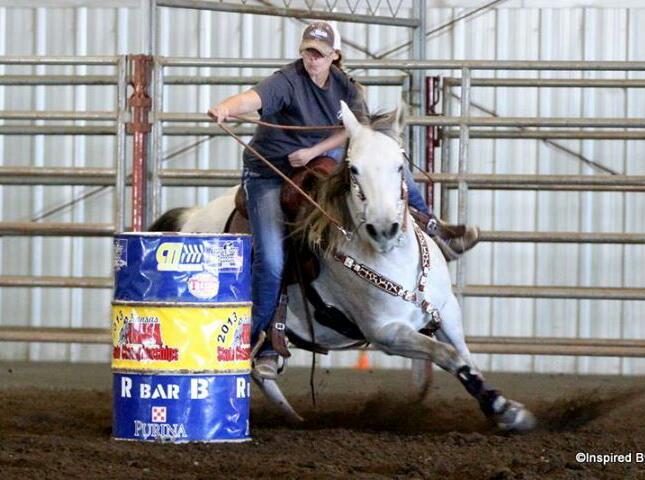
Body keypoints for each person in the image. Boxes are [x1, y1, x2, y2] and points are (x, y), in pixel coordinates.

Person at [208, 21, 478, 379]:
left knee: (385, 156)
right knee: (271, 259)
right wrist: (227, 107)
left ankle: (431, 224)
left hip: (318, 161)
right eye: (308, 51)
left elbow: (354, 131)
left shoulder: (345, 87)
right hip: (270, 174)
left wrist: (312, 151)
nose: (312, 59)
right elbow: (253, 99)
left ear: (334, 56)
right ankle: (260, 339)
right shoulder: (286, 81)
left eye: (319, 53)